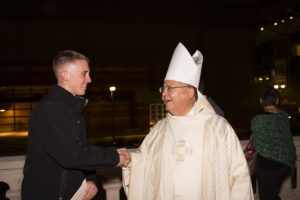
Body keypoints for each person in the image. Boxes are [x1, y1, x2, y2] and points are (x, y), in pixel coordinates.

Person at [119, 42, 254, 200]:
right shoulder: (159, 129)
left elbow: (238, 179)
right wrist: (131, 161)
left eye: (170, 88)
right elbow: (145, 162)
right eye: (163, 88)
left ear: (190, 92)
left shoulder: (218, 128)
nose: (164, 94)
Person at [21, 50, 126, 200]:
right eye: (84, 73)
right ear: (65, 75)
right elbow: (71, 156)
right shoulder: (51, 108)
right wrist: (114, 157)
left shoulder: (71, 107)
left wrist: (90, 178)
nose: (89, 79)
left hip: (69, 193)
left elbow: (81, 148)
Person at [251, 87, 296, 200]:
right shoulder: (284, 116)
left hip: (267, 167)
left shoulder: (257, 120)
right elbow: (284, 138)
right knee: (273, 193)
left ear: (261, 100)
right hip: (284, 164)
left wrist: (254, 138)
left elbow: (256, 143)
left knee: (266, 197)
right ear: (277, 101)